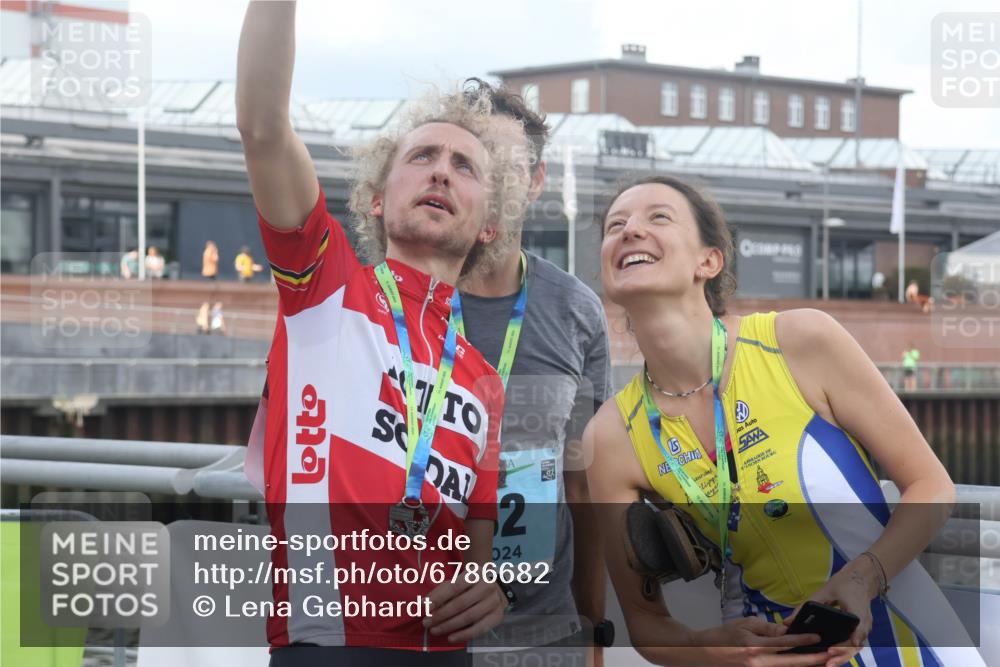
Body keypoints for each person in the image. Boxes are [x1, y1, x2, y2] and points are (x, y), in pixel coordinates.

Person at [237, 2, 531, 664]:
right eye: (422, 155)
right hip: (327, 645)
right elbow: (261, 129)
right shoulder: (327, 285)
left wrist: (491, 588)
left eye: (465, 166)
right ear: (377, 196)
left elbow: (478, 554)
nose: (441, 171)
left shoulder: (483, 377)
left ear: (488, 223)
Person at [584, 175, 979, 667]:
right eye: (615, 225)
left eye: (658, 217)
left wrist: (862, 577)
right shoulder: (611, 435)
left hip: (911, 642)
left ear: (709, 261)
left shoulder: (800, 341)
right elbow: (646, 626)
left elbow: (931, 486)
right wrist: (717, 650)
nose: (630, 231)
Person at [453, 80, 613, 666]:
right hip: (419, 632)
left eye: (507, 165)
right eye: (473, 161)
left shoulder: (576, 310)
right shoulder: (396, 301)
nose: (489, 181)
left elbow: (581, 485)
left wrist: (593, 627)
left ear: (537, 182)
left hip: (544, 637)